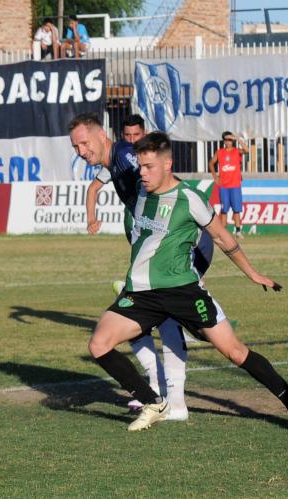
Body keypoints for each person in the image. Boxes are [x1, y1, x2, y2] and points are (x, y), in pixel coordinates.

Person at [88, 131, 288, 433]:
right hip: (142, 294)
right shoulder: (140, 192)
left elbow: (223, 238)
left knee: (235, 352)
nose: (141, 173)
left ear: (167, 165)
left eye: (148, 167)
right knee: (99, 344)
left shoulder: (189, 199)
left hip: (182, 292)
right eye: (140, 167)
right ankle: (155, 403)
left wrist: (252, 274)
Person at [73, 113, 206, 419]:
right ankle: (164, 392)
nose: (80, 151)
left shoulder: (123, 155)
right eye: (75, 146)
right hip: (158, 241)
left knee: (166, 318)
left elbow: (159, 188)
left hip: (178, 243)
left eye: (83, 143)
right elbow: (96, 189)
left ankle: (170, 397)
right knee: (148, 314)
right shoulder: (113, 164)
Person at [208, 131, 248, 238]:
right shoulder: (220, 152)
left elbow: (247, 150)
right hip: (224, 186)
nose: (229, 142)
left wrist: (238, 138)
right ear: (224, 141)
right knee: (224, 209)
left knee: (236, 209)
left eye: (230, 140)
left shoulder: (237, 151)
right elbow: (211, 163)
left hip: (235, 185)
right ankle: (223, 232)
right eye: (227, 140)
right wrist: (215, 176)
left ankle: (238, 231)